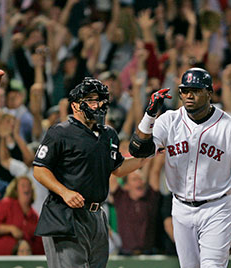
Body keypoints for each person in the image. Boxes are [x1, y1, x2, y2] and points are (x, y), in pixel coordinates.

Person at [129, 67, 231, 268]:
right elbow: (138, 150)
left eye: (195, 90)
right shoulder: (169, 120)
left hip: (217, 207)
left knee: (212, 265)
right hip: (181, 207)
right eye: (185, 90)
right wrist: (149, 115)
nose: (189, 95)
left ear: (209, 93)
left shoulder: (229, 126)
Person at [32, 77, 147, 268]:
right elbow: (40, 169)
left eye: (101, 100)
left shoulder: (108, 134)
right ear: (76, 105)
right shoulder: (60, 132)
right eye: (92, 100)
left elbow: (117, 168)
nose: (98, 105)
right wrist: (64, 192)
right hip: (65, 215)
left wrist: (145, 158)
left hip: (96, 216)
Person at [0, 176, 44, 255]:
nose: (26, 188)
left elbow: (39, 243)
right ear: (16, 190)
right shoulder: (6, 204)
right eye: (23, 185)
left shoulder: (34, 216)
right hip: (0, 258)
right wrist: (10, 229)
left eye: (29, 185)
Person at [110, 169, 160, 255]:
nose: (140, 182)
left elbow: (155, 172)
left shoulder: (151, 198)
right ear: (126, 185)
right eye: (134, 179)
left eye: (141, 179)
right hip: (126, 254)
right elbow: (111, 175)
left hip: (149, 254)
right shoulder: (121, 198)